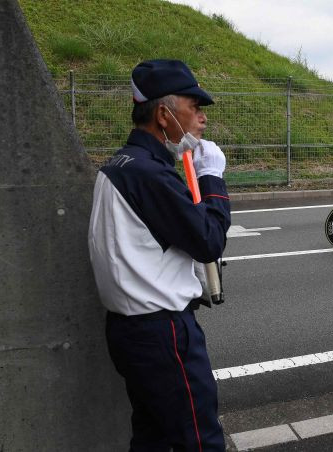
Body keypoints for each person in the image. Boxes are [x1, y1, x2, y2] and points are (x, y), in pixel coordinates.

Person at [88, 59, 230, 451]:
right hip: (163, 331)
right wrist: (212, 177)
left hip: (131, 330)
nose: (202, 118)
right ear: (164, 114)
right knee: (199, 439)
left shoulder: (119, 165)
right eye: (195, 107)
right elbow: (208, 240)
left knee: (152, 435)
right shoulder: (149, 174)